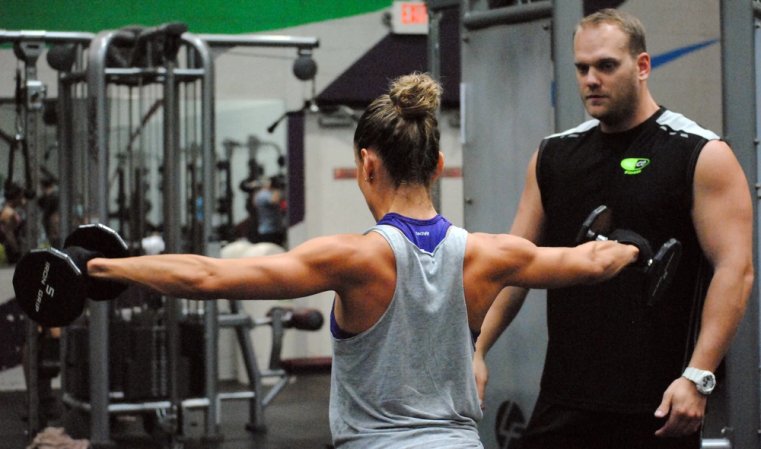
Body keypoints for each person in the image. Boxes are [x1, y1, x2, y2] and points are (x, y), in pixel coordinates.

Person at [79, 73, 637, 448]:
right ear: (438, 164)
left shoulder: (352, 258)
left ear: (368, 165)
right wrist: (634, 247)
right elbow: (589, 263)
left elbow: (206, 276)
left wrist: (103, 268)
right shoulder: (491, 253)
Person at [472, 9, 753, 449]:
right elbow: (513, 266)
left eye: (606, 65)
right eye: (582, 68)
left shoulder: (701, 154)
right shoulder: (554, 157)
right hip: (565, 398)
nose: (591, 79)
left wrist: (698, 376)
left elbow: (735, 271)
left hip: (658, 404)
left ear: (642, 66)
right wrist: (477, 348)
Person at [252, 174, 286, 246]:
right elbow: (274, 200)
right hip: (269, 231)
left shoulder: (262, 194)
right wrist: (276, 188)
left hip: (273, 230)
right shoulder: (264, 194)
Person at [0, 181, 27, 263]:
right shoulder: (8, 212)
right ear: (16, 197)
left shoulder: (13, 210)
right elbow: (8, 233)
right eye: (21, 197)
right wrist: (17, 252)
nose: (23, 200)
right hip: (13, 252)